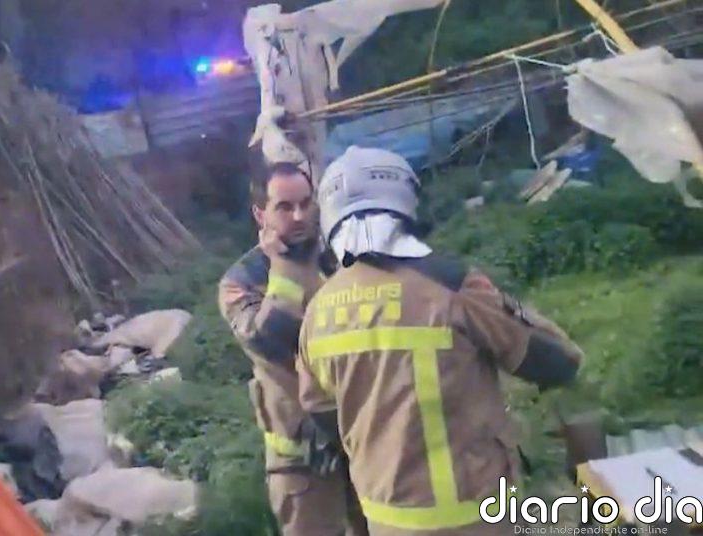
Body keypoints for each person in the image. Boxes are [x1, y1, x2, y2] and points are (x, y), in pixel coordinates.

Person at [294, 147, 583, 536]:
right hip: (474, 518)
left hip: (386, 520)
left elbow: (322, 412)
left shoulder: (317, 312)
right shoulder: (448, 287)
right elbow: (558, 362)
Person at [218, 162, 368, 535]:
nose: (300, 216)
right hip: (302, 462)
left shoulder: (339, 257)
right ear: (260, 214)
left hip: (362, 437)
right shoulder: (241, 281)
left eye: (305, 203)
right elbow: (271, 340)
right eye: (284, 207)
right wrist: (284, 268)